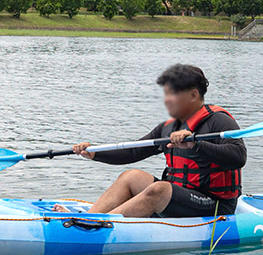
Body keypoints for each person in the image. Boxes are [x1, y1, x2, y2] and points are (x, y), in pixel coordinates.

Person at [73, 63, 246, 217]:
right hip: (178, 197)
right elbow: (133, 151)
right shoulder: (168, 127)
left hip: (214, 204)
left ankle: (100, 226)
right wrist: (95, 153)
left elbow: (238, 157)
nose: (167, 99)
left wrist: (196, 144)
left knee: (160, 189)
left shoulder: (220, 121)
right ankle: (89, 219)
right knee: (131, 176)